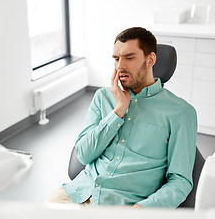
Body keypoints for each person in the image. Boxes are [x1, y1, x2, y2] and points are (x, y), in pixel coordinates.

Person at [45, 27, 197, 208]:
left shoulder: (180, 112)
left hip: (125, 205)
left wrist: (141, 210)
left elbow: (180, 181)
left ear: (151, 59)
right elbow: (83, 155)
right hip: (79, 192)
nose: (120, 66)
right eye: (116, 59)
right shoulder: (103, 97)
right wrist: (118, 111)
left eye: (129, 57)